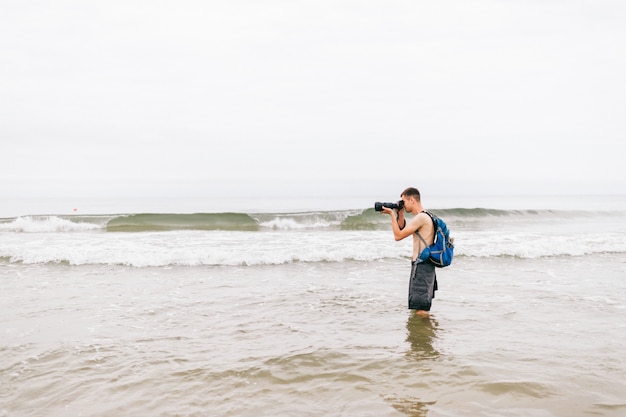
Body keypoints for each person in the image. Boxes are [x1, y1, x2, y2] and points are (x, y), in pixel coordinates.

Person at [380, 187, 438, 316]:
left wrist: (391, 214)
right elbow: (402, 228)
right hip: (426, 266)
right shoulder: (426, 215)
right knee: (421, 307)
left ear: (412, 200)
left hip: (422, 267)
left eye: (403, 201)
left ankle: (422, 335)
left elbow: (398, 236)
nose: (402, 204)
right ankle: (426, 334)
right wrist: (399, 214)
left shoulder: (421, 218)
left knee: (420, 310)